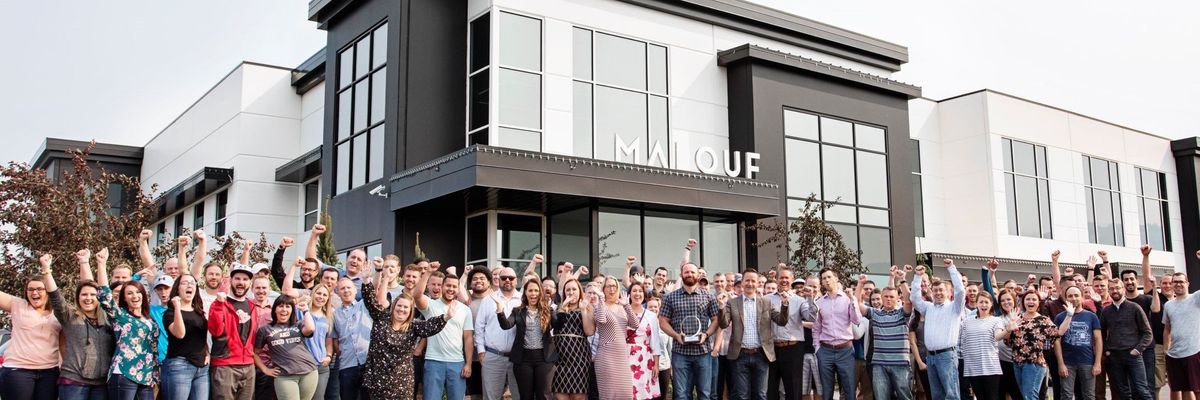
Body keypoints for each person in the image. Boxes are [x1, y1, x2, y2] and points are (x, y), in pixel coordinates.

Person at [362, 260, 452, 400]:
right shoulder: (381, 317)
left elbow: (430, 327)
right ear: (393, 307)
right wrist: (366, 279)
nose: (402, 309)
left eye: (406, 307)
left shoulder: (413, 326)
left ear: (410, 311)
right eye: (399, 306)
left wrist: (446, 317)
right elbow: (370, 301)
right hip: (377, 380)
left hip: (401, 383)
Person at [96, 248, 161, 400]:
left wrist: (155, 375)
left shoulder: (149, 319)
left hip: (146, 376)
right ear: (124, 298)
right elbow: (104, 294)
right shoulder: (120, 315)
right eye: (129, 293)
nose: (135, 296)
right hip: (124, 372)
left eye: (138, 292)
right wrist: (101, 264)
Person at [47, 249, 113, 400]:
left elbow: (105, 292)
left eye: (92, 295)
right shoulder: (69, 316)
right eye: (84, 294)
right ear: (78, 297)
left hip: (101, 384)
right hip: (73, 382)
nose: (88, 298)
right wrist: (46, 271)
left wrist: (101, 263)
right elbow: (55, 296)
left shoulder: (108, 318)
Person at [659, 245, 720, 400]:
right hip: (680, 352)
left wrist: (706, 334)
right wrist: (675, 335)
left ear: (698, 275)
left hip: (703, 352)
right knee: (681, 395)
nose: (689, 274)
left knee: (705, 394)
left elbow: (716, 320)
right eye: (686, 272)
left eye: (692, 272)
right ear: (681, 274)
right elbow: (663, 321)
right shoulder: (671, 297)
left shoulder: (708, 296)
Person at [719, 269, 787, 400]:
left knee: (761, 395)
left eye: (753, 281)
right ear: (742, 283)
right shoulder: (732, 303)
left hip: (761, 354)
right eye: (747, 280)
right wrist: (721, 307)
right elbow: (723, 324)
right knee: (742, 395)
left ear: (758, 284)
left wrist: (784, 304)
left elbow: (781, 321)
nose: (750, 283)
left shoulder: (766, 302)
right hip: (740, 355)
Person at [910, 259, 966, 400]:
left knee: (951, 394)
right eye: (935, 290)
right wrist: (917, 277)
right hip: (931, 357)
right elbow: (915, 299)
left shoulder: (954, 307)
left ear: (948, 292)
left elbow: (960, 291)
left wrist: (951, 268)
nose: (938, 293)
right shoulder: (928, 307)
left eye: (941, 290)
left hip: (947, 356)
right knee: (936, 395)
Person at [856, 268, 914, 400]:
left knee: (905, 397)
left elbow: (909, 301)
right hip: (879, 365)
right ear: (881, 298)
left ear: (897, 298)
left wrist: (902, 280)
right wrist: (860, 284)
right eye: (886, 296)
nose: (888, 299)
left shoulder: (902, 314)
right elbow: (857, 304)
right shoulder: (875, 314)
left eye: (891, 297)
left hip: (900, 364)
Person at [497, 276, 557, 400]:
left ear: (540, 292)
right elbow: (506, 325)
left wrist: (560, 308)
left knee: (544, 395)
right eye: (530, 290)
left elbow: (557, 325)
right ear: (525, 293)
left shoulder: (547, 310)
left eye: (536, 290)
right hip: (523, 360)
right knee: (525, 396)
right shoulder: (518, 311)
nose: (533, 294)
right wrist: (500, 310)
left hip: (544, 359)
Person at [209, 262, 262, 400]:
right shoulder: (219, 304)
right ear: (231, 280)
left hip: (248, 365)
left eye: (245, 279)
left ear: (250, 283)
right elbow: (215, 331)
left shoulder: (252, 306)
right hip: (225, 365)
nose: (241, 282)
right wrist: (220, 304)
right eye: (237, 278)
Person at [282, 264, 334, 400]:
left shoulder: (328, 317)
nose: (321, 297)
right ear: (312, 294)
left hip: (321, 365)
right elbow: (286, 292)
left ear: (328, 299)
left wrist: (328, 356)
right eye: (318, 293)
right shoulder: (300, 312)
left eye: (324, 295)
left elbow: (328, 340)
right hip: (302, 365)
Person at [1006, 289, 1070, 400]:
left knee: (1030, 396)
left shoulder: (1043, 320)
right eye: (1028, 299)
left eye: (1034, 299)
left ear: (1038, 302)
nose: (1031, 301)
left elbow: (1059, 333)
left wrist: (1069, 315)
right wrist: (1010, 325)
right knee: (1025, 396)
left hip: (1034, 363)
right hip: (1017, 362)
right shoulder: (1017, 318)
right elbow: (1007, 340)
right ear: (1023, 302)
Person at [421, 272, 475, 400]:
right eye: (448, 285)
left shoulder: (465, 309)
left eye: (454, 286)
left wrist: (468, 364)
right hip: (433, 361)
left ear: (458, 289)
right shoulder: (430, 305)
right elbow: (417, 295)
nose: (451, 289)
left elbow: (468, 338)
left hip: (457, 363)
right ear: (442, 286)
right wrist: (427, 272)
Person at [253, 295, 318, 400]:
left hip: (309, 372)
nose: (284, 309)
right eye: (281, 306)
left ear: (292, 310)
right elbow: (255, 353)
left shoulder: (298, 324)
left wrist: (305, 310)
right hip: (285, 376)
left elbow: (310, 329)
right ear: (274, 310)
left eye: (288, 306)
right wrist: (265, 369)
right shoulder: (265, 329)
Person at [1099, 277, 1153, 400]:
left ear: (1123, 289)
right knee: (1122, 391)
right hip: (1115, 356)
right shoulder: (1106, 311)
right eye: (1111, 289)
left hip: (1133, 355)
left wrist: (1138, 349)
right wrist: (1106, 350)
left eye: (1117, 288)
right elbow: (1101, 334)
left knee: (1142, 389)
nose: (1114, 291)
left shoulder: (1135, 308)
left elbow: (1147, 333)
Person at [766, 266, 816, 400]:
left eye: (786, 278)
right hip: (771, 349)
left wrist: (810, 298)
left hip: (793, 348)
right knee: (770, 389)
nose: (784, 280)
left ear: (792, 279)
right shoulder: (767, 299)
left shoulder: (800, 301)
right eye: (781, 277)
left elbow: (811, 318)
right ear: (776, 279)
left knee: (793, 389)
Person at [475, 265, 523, 400]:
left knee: (520, 396)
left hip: (518, 358)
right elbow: (479, 327)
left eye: (511, 278)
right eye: (504, 277)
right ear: (498, 280)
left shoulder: (522, 300)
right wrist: (480, 351)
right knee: (491, 397)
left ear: (516, 280)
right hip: (492, 356)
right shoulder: (488, 300)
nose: (507, 280)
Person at [332, 261, 377, 400]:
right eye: (342, 288)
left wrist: (367, 279)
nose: (346, 290)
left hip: (368, 363)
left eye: (349, 287)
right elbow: (334, 338)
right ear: (337, 292)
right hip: (347, 365)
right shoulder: (334, 314)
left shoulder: (364, 305)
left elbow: (373, 291)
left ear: (355, 289)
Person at [162, 271, 211, 400]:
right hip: (180, 365)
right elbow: (180, 333)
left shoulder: (199, 312)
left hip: (201, 368)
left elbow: (201, 336)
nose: (189, 285)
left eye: (192, 283)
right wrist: (177, 307)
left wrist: (207, 352)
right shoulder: (170, 313)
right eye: (185, 283)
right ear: (177, 289)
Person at [813, 267, 859, 400]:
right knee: (826, 391)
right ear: (821, 282)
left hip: (845, 350)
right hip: (825, 350)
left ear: (836, 278)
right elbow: (816, 328)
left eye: (829, 277)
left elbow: (856, 320)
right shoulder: (819, 303)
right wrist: (817, 349)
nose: (827, 280)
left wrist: (853, 300)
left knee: (849, 390)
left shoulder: (847, 299)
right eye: (824, 278)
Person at [592, 276, 638, 400]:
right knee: (608, 395)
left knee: (626, 395)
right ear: (604, 288)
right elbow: (601, 320)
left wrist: (627, 306)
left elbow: (635, 324)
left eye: (614, 286)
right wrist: (601, 298)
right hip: (606, 356)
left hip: (621, 357)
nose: (612, 289)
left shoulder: (622, 306)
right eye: (608, 286)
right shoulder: (599, 306)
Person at [1053, 285, 1102, 400]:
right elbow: (1056, 341)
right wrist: (1060, 364)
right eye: (1070, 296)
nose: (1073, 298)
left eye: (1076, 295)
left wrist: (1097, 362)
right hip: (1067, 362)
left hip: (1087, 361)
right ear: (1065, 299)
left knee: (1089, 395)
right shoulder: (1060, 317)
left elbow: (1098, 339)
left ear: (1082, 297)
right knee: (1066, 395)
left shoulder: (1091, 316)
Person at [959, 291, 1008, 400]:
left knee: (992, 397)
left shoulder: (996, 320)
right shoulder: (967, 321)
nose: (984, 305)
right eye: (981, 302)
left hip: (991, 367)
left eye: (986, 302)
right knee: (980, 397)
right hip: (973, 367)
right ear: (976, 304)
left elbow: (997, 336)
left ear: (991, 304)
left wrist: (1008, 330)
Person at [552, 279, 595, 400]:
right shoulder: (557, 308)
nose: (571, 292)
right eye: (568, 290)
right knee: (560, 395)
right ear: (564, 293)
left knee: (579, 396)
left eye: (574, 289)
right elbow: (555, 325)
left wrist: (583, 310)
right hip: (559, 358)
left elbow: (589, 331)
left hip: (579, 358)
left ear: (580, 291)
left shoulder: (588, 307)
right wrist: (563, 308)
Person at [1163, 265, 1199, 399]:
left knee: (1197, 389)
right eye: (1175, 281)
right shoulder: (1168, 305)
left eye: (1181, 281)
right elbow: (1167, 327)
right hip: (1175, 354)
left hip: (1194, 352)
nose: (1178, 284)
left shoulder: (1195, 298)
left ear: (1187, 283)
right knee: (1182, 389)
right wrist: (1166, 349)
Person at [627, 281, 663, 400]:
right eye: (634, 291)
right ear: (629, 294)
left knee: (643, 391)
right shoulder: (622, 312)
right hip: (625, 356)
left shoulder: (651, 315)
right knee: (628, 391)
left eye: (640, 291)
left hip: (645, 358)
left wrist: (656, 364)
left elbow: (655, 342)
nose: (637, 294)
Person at [646, 296, 673, 400]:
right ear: (646, 308)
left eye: (655, 307)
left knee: (662, 396)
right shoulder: (642, 324)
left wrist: (672, 367)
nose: (653, 309)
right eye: (650, 307)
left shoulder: (664, 325)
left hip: (664, 367)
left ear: (659, 308)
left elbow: (670, 348)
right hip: (647, 367)